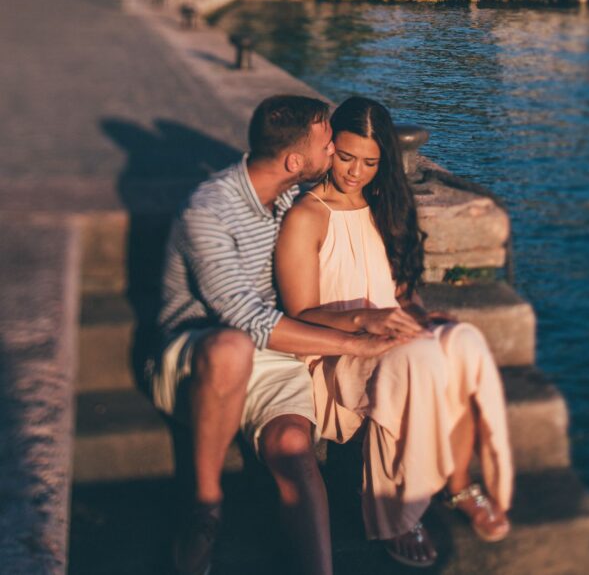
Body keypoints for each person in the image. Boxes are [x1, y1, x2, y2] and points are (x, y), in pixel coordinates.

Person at [152, 95, 417, 575]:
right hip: (199, 347)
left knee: (294, 448)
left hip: (271, 356)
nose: (336, 147)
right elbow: (247, 320)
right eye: (327, 141)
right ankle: (205, 508)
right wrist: (357, 338)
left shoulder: (290, 197)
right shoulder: (208, 212)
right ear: (297, 161)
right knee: (232, 346)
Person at [275, 96, 514, 568]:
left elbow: (398, 296)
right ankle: (394, 516)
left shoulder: (385, 208)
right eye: (345, 157)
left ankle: (459, 484)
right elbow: (299, 311)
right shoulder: (308, 216)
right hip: (335, 353)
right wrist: (366, 319)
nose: (354, 172)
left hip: (387, 335)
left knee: (462, 344)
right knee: (418, 362)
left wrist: (421, 317)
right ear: (328, 148)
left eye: (369, 162)